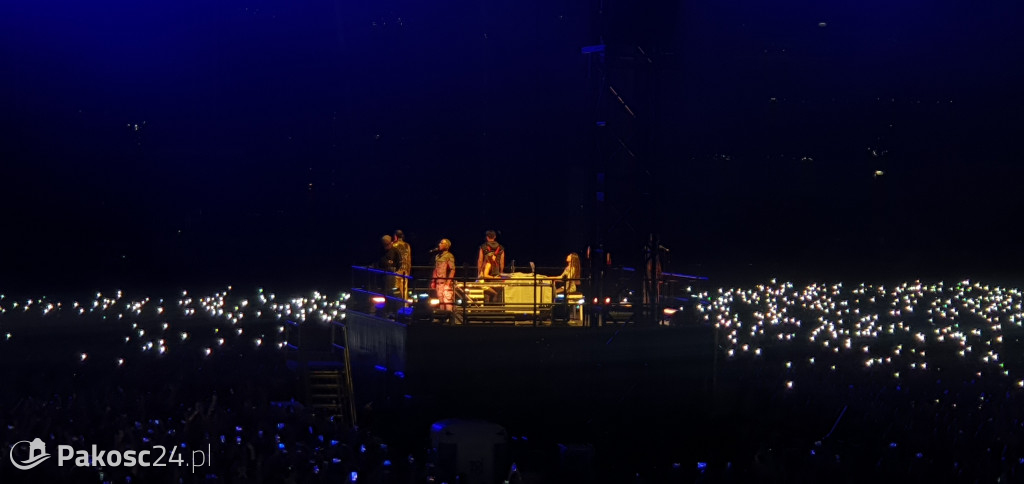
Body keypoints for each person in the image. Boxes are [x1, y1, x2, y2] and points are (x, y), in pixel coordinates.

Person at [431, 239, 456, 313]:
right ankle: (442, 318)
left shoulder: (449, 255)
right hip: (438, 282)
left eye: (442, 243)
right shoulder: (437, 256)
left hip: (445, 283)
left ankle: (450, 318)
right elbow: (435, 269)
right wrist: (433, 281)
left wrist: (448, 282)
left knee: (447, 301)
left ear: (446, 245)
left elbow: (452, 269)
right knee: (440, 301)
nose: (439, 244)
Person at [392, 230, 412, 299]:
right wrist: (408, 271)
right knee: (404, 289)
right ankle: (405, 306)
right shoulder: (407, 245)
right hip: (405, 270)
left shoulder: (393, 245)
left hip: (396, 270)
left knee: (395, 289)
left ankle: (397, 305)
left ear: (395, 236)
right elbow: (409, 259)